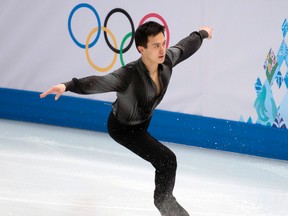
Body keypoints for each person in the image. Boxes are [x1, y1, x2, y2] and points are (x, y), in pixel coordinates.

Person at [40, 21, 213, 216]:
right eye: (156, 46)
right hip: (123, 129)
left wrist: (201, 34)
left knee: (166, 160)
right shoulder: (128, 76)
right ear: (141, 49)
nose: (162, 49)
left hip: (142, 123)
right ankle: (165, 204)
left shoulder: (166, 61)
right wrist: (67, 85)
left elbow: (185, 47)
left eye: (163, 43)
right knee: (167, 160)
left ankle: (166, 204)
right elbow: (98, 82)